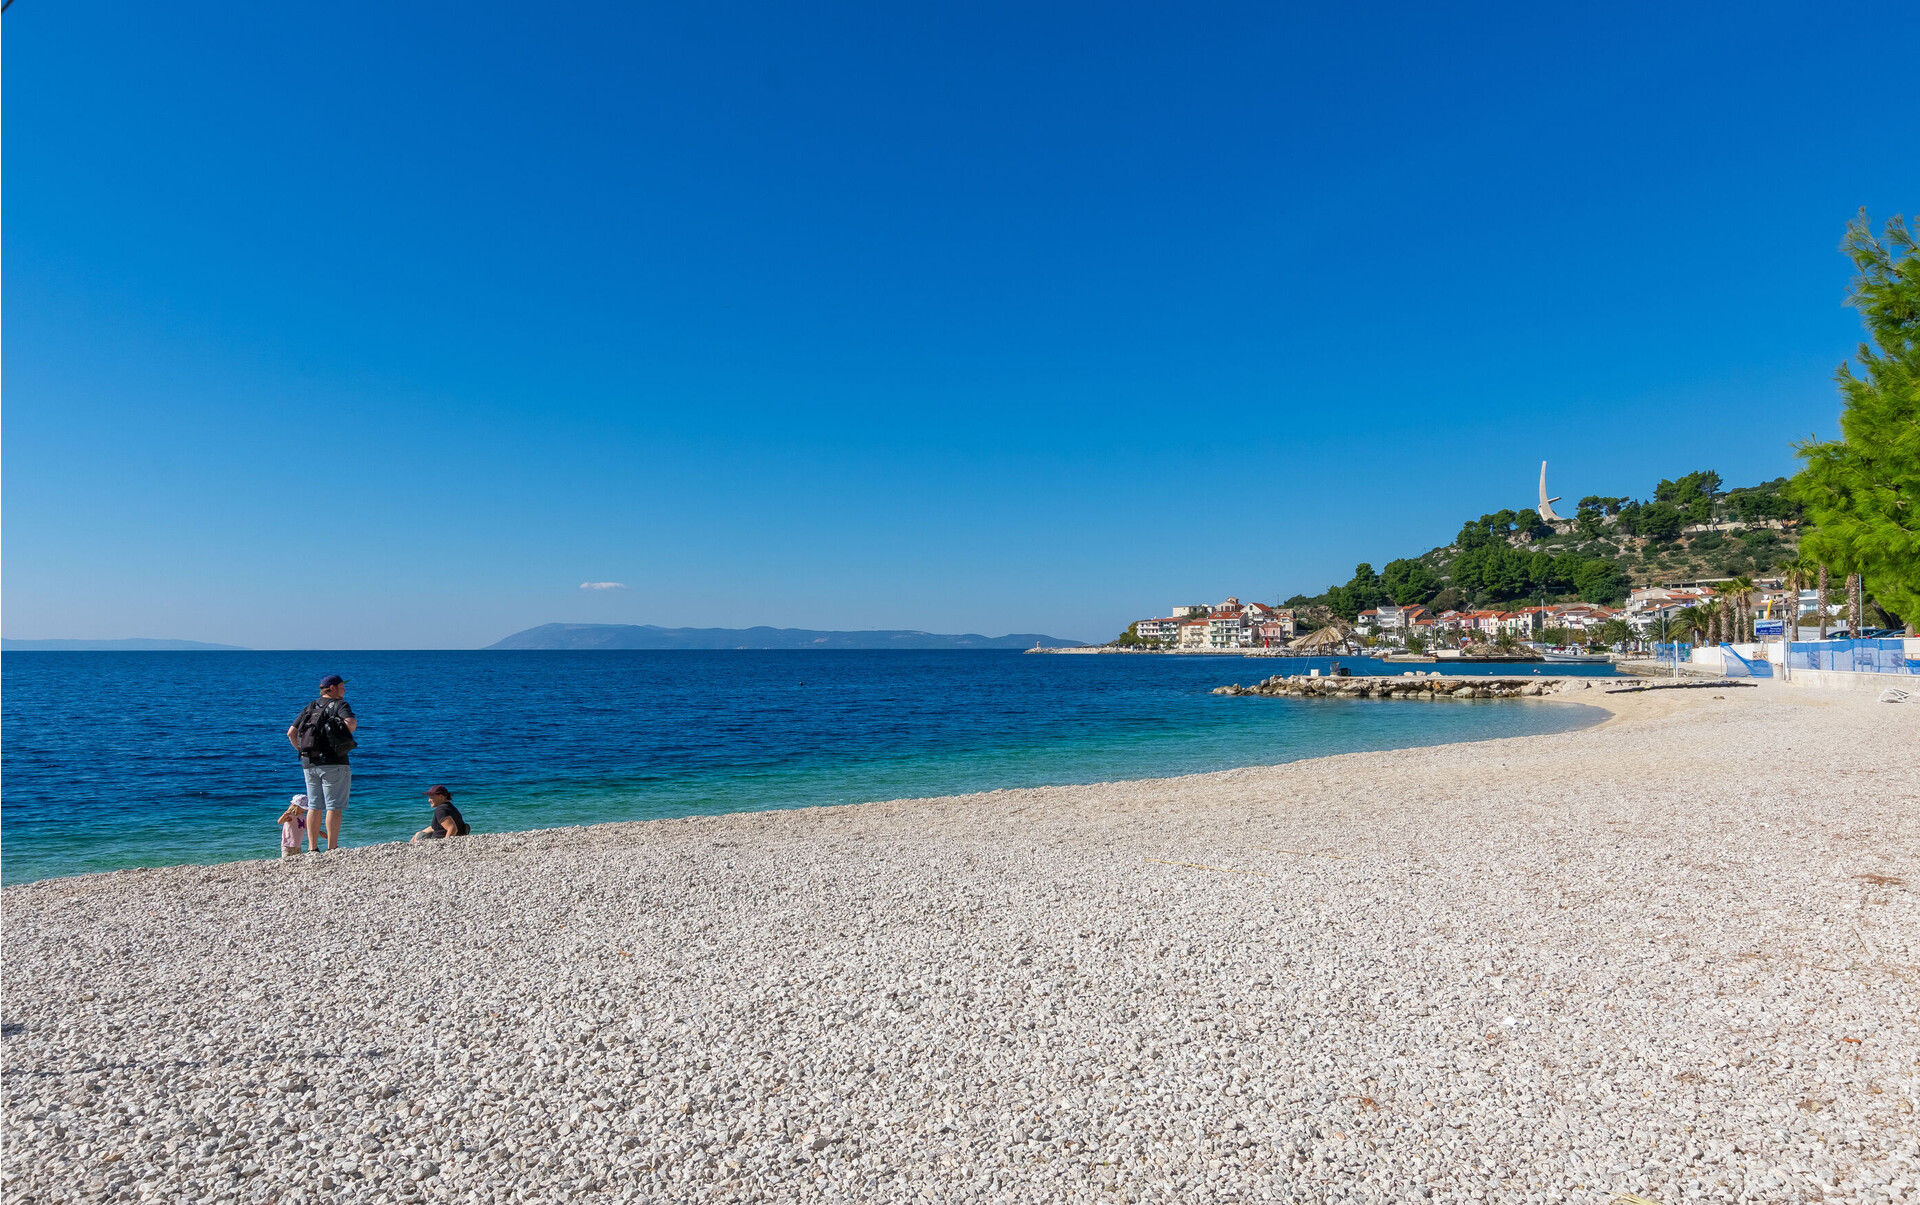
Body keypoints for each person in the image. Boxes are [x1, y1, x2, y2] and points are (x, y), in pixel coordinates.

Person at [287, 674, 357, 852]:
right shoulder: (340, 705)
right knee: (333, 806)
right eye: (342, 686)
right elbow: (351, 724)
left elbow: (291, 733)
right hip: (334, 762)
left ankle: (312, 849)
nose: (345, 690)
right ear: (332, 688)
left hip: (309, 763)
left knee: (314, 806)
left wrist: (302, 753)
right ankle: (332, 848)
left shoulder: (310, 706)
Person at [278, 794, 310, 859]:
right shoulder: (291, 816)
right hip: (287, 845)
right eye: (302, 808)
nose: (304, 810)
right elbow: (279, 822)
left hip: (298, 845)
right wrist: (284, 816)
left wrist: (319, 832)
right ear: (295, 806)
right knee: (286, 861)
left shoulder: (302, 816)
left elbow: (307, 827)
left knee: (297, 861)